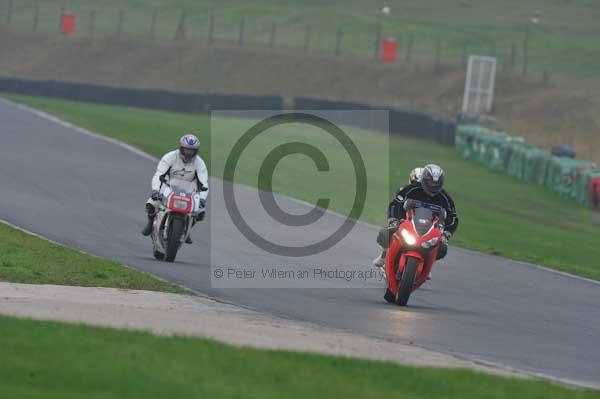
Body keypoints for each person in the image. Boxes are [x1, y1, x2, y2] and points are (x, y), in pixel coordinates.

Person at [372, 164, 458, 268]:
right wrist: (394, 220)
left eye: (436, 183)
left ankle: (428, 265)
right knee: (385, 233)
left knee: (442, 248)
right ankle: (384, 254)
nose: (433, 185)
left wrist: (446, 233)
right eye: (430, 182)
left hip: (430, 229)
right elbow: (395, 204)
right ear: (424, 179)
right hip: (406, 223)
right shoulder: (410, 189)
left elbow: (453, 217)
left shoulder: (446, 198)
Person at [141, 134, 209, 244]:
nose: (188, 153)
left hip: (189, 190)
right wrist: (155, 190)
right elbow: (159, 175)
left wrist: (202, 199)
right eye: (186, 149)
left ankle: (187, 229)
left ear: (196, 151)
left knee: (200, 212)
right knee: (151, 204)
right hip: (168, 186)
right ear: (181, 147)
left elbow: (204, 182)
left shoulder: (200, 163)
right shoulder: (170, 157)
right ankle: (150, 223)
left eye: (192, 150)